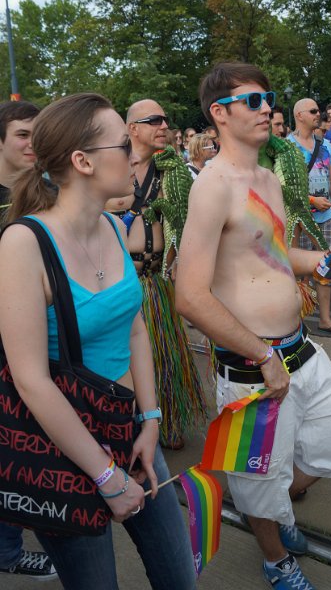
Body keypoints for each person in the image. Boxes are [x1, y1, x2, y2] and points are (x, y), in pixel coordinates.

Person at [176, 61, 331, 590]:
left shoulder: (266, 178)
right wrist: (262, 357)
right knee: (257, 480)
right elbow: (189, 295)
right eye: (253, 101)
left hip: (301, 350)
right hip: (253, 367)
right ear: (219, 113)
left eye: (270, 99)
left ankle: (279, 508)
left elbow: (278, 258)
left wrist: (327, 258)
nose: (268, 109)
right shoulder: (211, 187)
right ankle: (275, 557)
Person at [0, 92, 196, 589]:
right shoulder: (24, 243)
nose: (135, 153)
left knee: (180, 577)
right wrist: (106, 476)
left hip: (131, 428)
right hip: (65, 451)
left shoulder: (111, 224)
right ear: (82, 161)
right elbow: (31, 380)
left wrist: (151, 420)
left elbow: (134, 326)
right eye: (123, 144)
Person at [124, 99, 206, 449]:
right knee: (126, 362)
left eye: (165, 120)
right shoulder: (112, 165)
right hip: (121, 283)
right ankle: (127, 425)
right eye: (154, 120)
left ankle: (168, 419)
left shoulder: (171, 171)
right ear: (133, 128)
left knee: (164, 357)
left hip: (156, 282)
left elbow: (187, 223)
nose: (164, 126)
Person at [0, 100, 57, 580]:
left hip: (44, 344)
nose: (32, 144)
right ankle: (8, 552)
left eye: (38, 135)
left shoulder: (48, 193)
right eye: (22, 134)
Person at [288, 98, 331, 337]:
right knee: (298, 271)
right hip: (299, 220)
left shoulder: (324, 145)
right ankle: (296, 320)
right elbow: (283, 186)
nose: (319, 115)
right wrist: (312, 200)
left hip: (326, 218)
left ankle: (325, 319)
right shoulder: (287, 147)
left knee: (326, 268)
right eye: (313, 111)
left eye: (319, 111)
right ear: (299, 115)